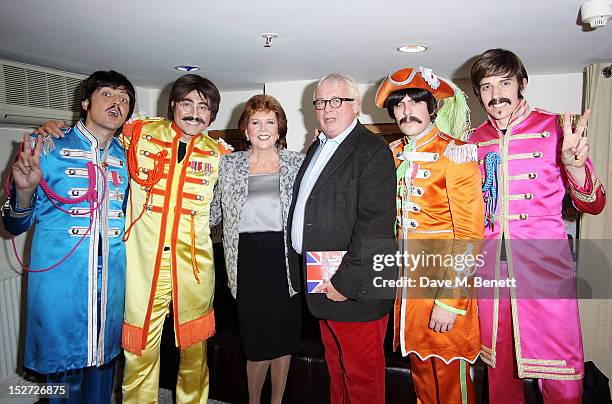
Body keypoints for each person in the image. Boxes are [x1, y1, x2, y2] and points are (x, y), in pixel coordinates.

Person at [37, 73, 231, 403]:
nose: (194, 113)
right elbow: (95, 137)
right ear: (173, 106)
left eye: (204, 107)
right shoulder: (138, 133)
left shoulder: (220, 155)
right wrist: (55, 129)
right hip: (142, 266)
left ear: (212, 115)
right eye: (187, 103)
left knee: (195, 355)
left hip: (194, 269)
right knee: (139, 351)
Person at [469, 48, 606, 404]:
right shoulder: (472, 140)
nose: (495, 94)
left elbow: (594, 203)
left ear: (522, 84)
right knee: (498, 370)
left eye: (504, 82)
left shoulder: (556, 127)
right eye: (486, 87)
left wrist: (575, 167)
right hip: (490, 271)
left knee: (560, 372)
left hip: (545, 268)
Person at [2, 70, 135, 403]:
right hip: (61, 283)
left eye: (124, 99)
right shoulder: (45, 145)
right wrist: (24, 192)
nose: (117, 103)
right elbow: (14, 223)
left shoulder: (126, 155)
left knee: (103, 374)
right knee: (61, 380)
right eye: (108, 94)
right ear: (86, 101)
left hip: (112, 284)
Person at [375, 66, 484, 404]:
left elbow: (469, 233)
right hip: (410, 297)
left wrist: (449, 301)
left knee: (453, 387)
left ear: (432, 106)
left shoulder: (456, 154)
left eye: (415, 101)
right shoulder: (393, 155)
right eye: (399, 104)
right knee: (423, 383)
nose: (406, 110)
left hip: (444, 291)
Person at [287, 73, 397, 404]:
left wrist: (343, 282)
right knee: (337, 370)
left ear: (355, 104)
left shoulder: (371, 150)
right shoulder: (319, 148)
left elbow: (375, 226)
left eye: (337, 101)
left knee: (363, 381)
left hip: (353, 288)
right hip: (321, 282)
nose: (327, 109)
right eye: (320, 102)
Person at [210, 94, 304, 404]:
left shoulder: (297, 163)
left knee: (283, 340)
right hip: (246, 262)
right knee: (257, 344)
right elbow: (211, 213)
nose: (263, 129)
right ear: (246, 130)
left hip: (285, 261)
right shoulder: (228, 165)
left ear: (280, 128)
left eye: (270, 122)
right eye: (255, 123)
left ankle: (277, 401)